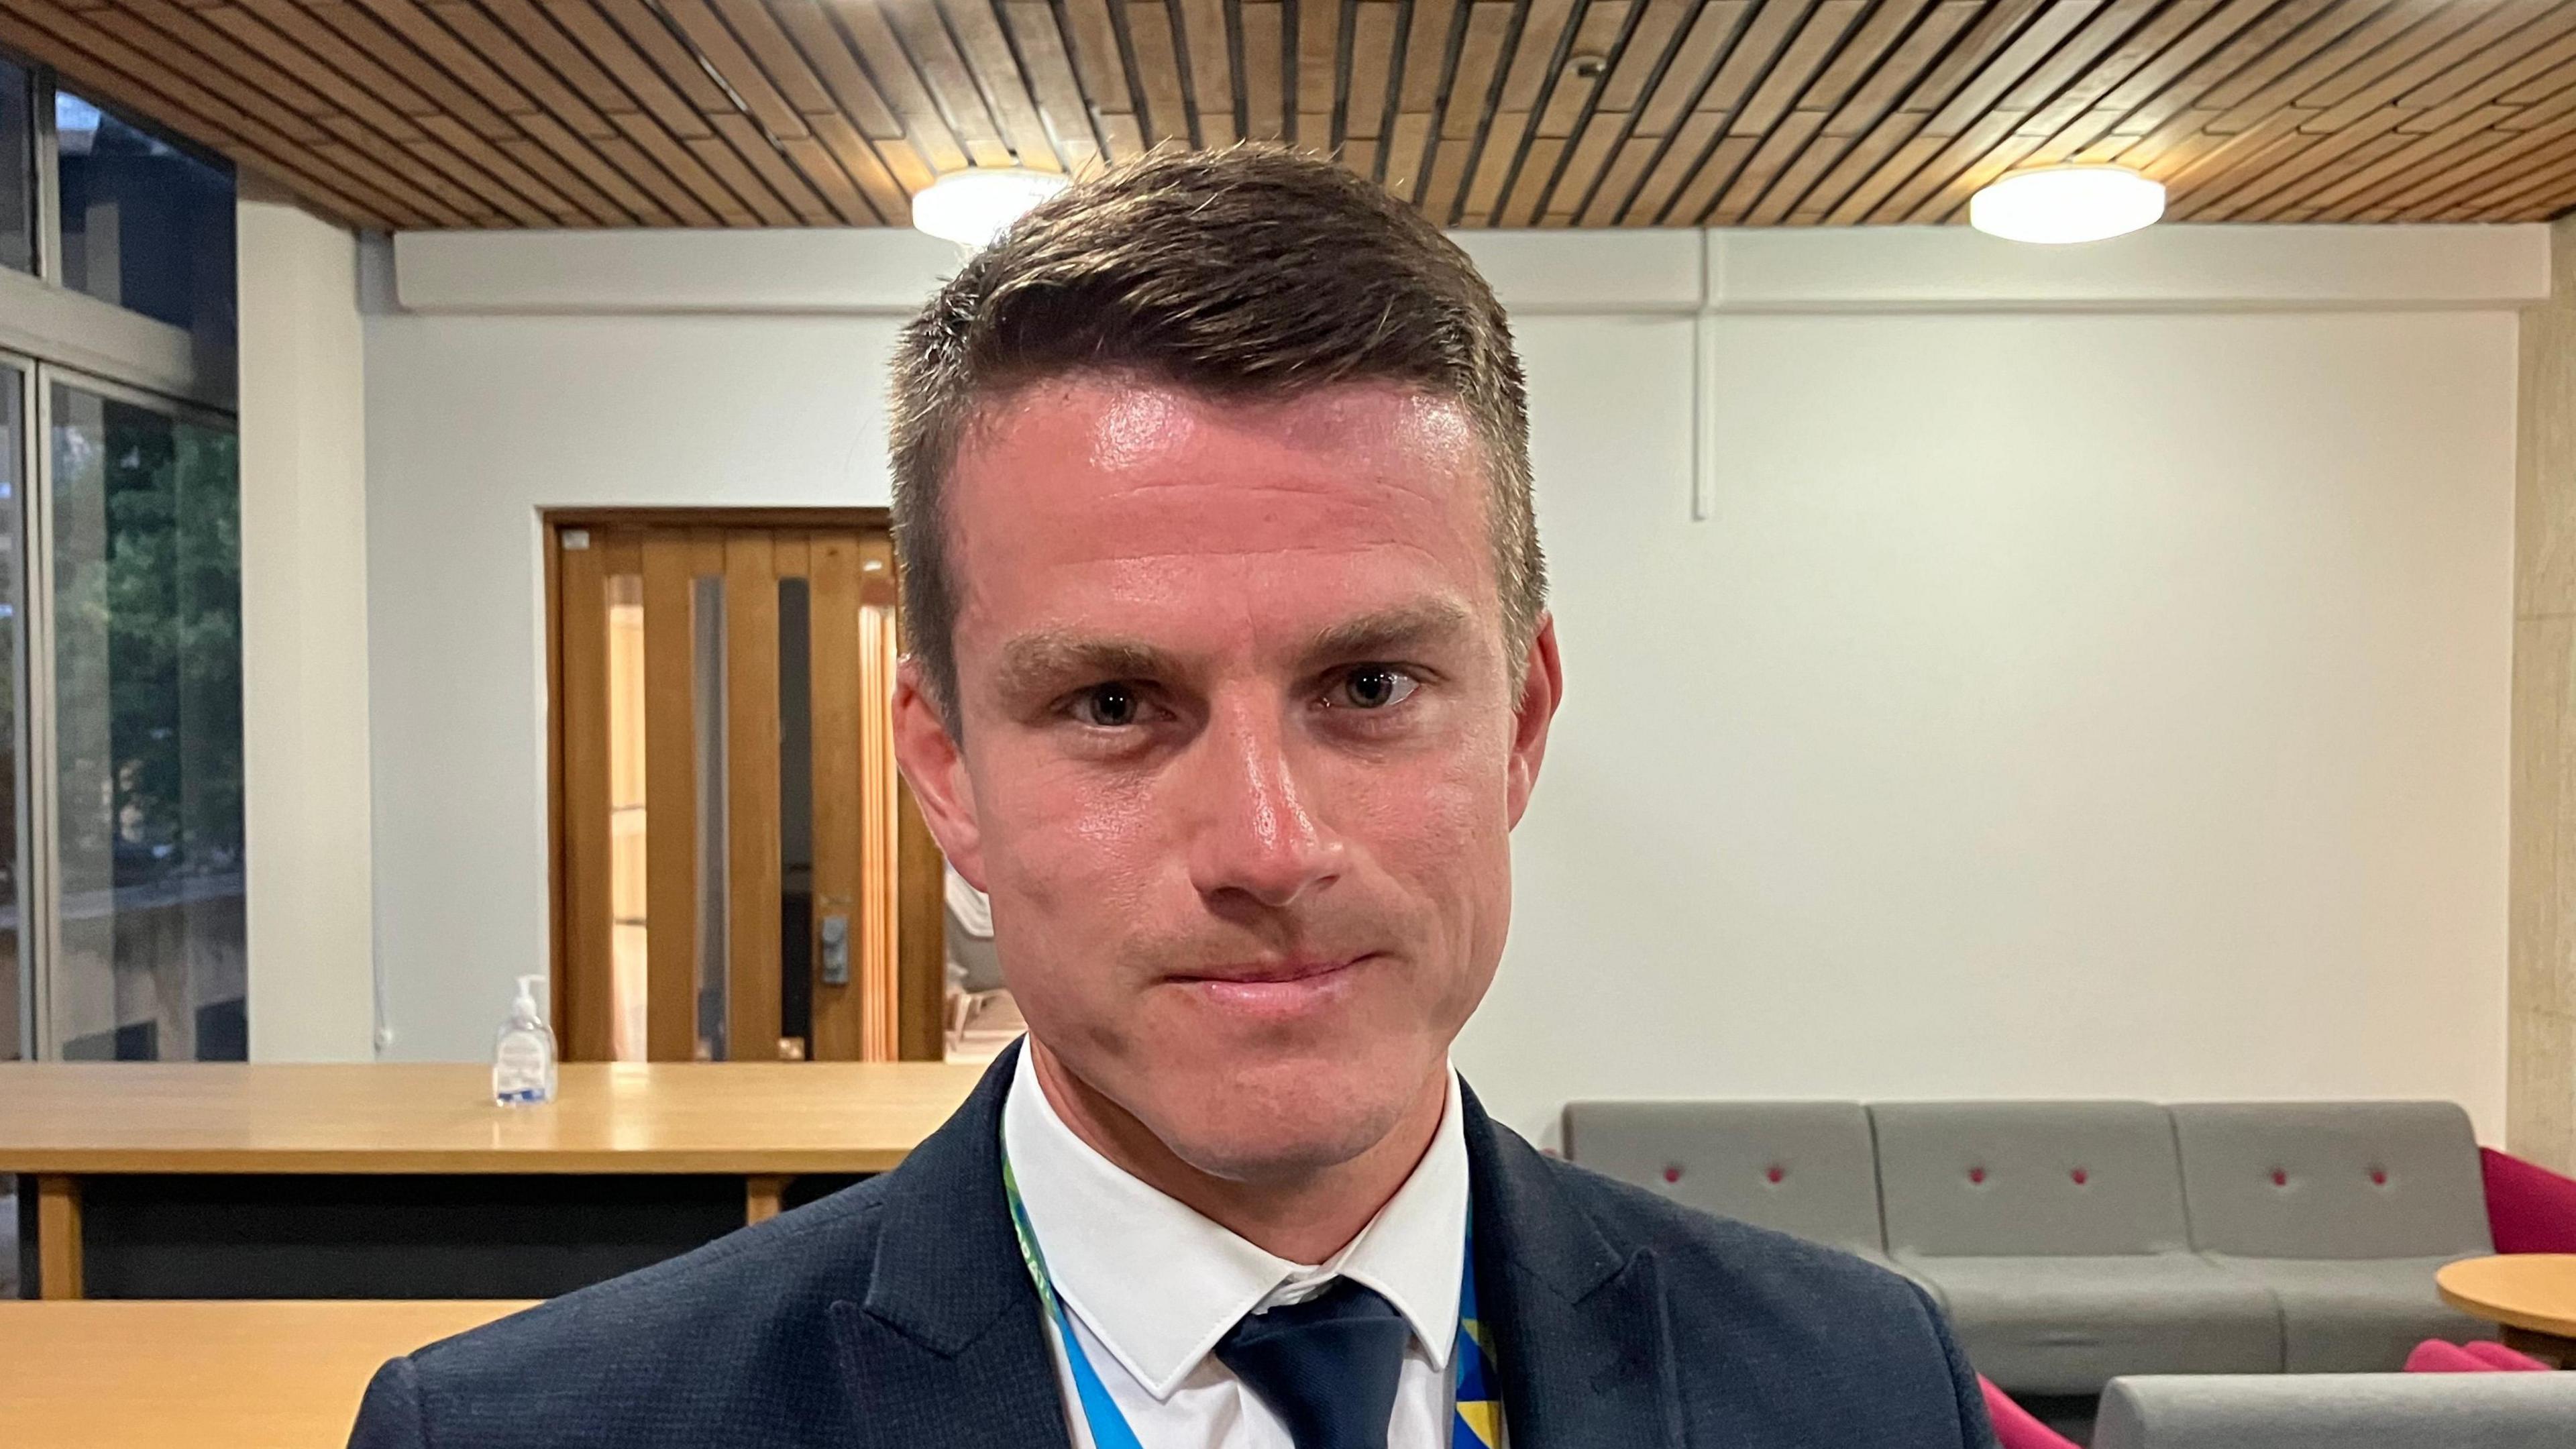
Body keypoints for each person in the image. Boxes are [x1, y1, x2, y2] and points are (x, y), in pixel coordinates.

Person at [347, 146, 1994, 1449]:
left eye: (1368, 688)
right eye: (1116, 704)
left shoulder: (1867, 1389)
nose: (1270, 848)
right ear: (947, 774)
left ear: (1521, 725)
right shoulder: (534, 1431)